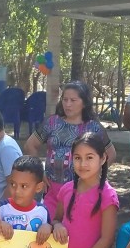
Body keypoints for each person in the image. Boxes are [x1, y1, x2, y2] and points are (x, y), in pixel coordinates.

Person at [24, 82, 116, 219]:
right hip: (52, 190)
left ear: (84, 103)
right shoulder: (52, 123)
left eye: (73, 100)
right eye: (65, 99)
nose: (67, 104)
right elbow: (30, 145)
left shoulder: (94, 128)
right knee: (50, 225)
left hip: (80, 191)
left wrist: (93, 177)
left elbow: (111, 154)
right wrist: (40, 172)